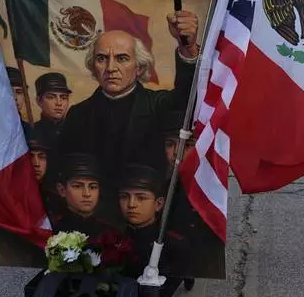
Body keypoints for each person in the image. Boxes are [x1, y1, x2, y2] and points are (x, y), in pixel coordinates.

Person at [57, 10, 199, 181]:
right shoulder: (78, 115)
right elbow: (63, 171)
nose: (110, 68)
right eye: (101, 58)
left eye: (122, 58)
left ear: (139, 67)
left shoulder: (158, 106)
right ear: (93, 66)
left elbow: (188, 96)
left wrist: (188, 49)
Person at [31, 72, 71, 145]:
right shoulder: (30, 132)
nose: (59, 103)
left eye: (64, 98)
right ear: (39, 101)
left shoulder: (76, 131)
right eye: (51, 97)